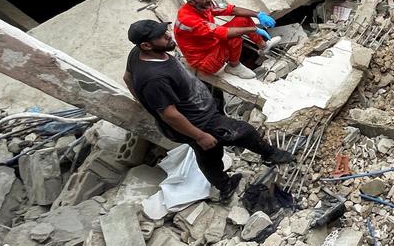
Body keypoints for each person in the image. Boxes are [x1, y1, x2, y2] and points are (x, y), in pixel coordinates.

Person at [124, 20, 293, 201]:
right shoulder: (154, 79)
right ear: (146, 45)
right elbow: (169, 114)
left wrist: (145, 102)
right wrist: (199, 135)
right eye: (161, 36)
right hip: (198, 122)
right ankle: (270, 154)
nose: (168, 35)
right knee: (244, 132)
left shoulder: (138, 53)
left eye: (164, 31)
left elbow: (127, 77)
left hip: (197, 109)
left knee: (208, 153)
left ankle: (224, 186)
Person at [173, 0, 282, 79]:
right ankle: (234, 65)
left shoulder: (204, 5)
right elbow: (225, 33)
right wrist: (254, 29)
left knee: (242, 19)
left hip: (211, 44)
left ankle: (263, 46)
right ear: (192, 2)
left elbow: (232, 10)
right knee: (234, 35)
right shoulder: (188, 19)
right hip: (205, 60)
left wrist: (258, 14)